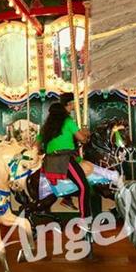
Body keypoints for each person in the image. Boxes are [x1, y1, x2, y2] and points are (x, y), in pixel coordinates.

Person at [39, 94, 93, 223]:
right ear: (67, 106)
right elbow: (82, 139)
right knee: (84, 186)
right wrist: (85, 134)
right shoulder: (68, 122)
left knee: (73, 179)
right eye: (72, 104)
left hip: (49, 162)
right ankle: (85, 219)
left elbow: (36, 144)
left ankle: (67, 198)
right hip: (64, 160)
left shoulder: (46, 127)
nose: (73, 106)